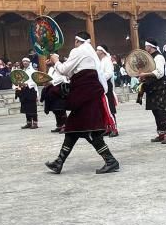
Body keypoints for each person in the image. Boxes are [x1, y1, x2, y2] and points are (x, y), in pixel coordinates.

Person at [45, 31, 118, 175]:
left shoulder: (78, 50)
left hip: (85, 97)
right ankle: (59, 162)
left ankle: (110, 161)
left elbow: (65, 70)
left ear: (78, 41)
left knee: (90, 131)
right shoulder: (89, 53)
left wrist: (56, 61)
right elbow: (73, 72)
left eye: (75, 41)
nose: (74, 44)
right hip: (88, 95)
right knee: (72, 129)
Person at [139, 39, 166, 145]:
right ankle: (161, 133)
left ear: (150, 47)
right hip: (153, 87)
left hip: (160, 87)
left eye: (146, 46)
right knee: (155, 111)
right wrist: (143, 77)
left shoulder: (159, 57)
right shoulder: (150, 58)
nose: (145, 48)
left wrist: (145, 74)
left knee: (161, 111)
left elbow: (159, 73)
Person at [96, 45, 119, 137]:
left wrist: (99, 79)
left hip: (107, 86)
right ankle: (108, 128)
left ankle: (114, 129)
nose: (96, 51)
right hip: (102, 86)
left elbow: (109, 74)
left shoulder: (107, 60)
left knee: (109, 108)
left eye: (97, 50)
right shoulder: (101, 61)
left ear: (102, 51)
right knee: (104, 108)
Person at [41, 59, 69, 133]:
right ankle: (59, 125)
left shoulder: (60, 66)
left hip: (59, 90)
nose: (47, 61)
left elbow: (62, 77)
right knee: (55, 110)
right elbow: (49, 77)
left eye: (49, 60)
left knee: (61, 109)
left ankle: (65, 126)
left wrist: (51, 82)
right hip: (51, 91)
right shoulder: (50, 69)